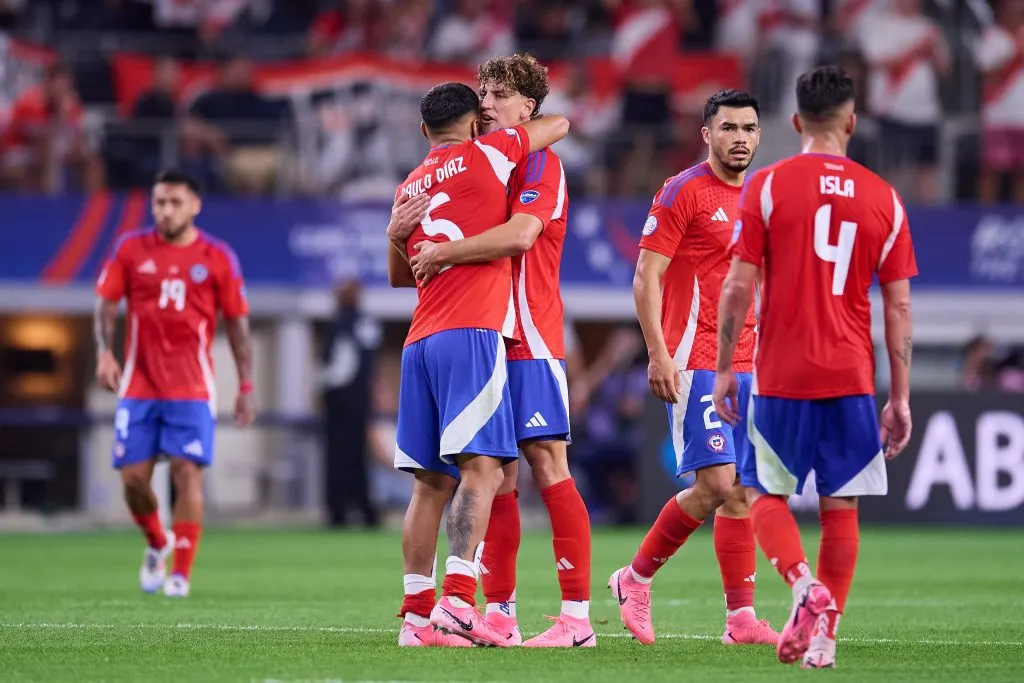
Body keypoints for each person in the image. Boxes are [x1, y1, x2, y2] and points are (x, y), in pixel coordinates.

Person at [713, 65, 916, 669]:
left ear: (796, 121)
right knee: (841, 506)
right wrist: (899, 397)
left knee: (761, 491)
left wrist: (726, 368)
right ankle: (825, 643)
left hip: (781, 373)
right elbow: (899, 307)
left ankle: (804, 587)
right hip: (851, 377)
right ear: (852, 122)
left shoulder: (769, 186)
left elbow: (737, 287)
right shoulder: (885, 197)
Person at [393, 53, 593, 648]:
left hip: (527, 333)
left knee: (545, 463)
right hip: (482, 335)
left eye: (501, 94)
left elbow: (522, 235)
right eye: (481, 92)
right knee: (496, 476)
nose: (486, 102)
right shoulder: (484, 162)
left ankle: (576, 618)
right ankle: (498, 609)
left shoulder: (537, 163)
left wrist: (435, 253)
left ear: (528, 108)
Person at [606, 89, 779, 647]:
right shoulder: (683, 191)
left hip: (751, 364)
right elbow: (646, 276)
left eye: (749, 129)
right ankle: (634, 578)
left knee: (742, 493)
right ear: (707, 134)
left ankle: (741, 620)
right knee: (717, 482)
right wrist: (657, 352)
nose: (740, 138)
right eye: (728, 128)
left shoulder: (763, 195)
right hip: (695, 358)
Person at [94, 169, 255, 598]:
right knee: (132, 480)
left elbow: (239, 327)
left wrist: (245, 386)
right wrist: (105, 352)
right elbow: (106, 305)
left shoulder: (217, 256)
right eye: (159, 203)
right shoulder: (130, 249)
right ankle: (157, 541)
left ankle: (180, 574)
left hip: (192, 388)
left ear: (195, 206)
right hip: (139, 386)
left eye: (175, 202)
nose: (165, 211)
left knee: (188, 474)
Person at [320, 279, 382, 527]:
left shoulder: (343, 325)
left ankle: (342, 512)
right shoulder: (364, 324)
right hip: (357, 401)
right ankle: (360, 511)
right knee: (354, 457)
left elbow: (336, 369)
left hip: (342, 401)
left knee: (340, 458)